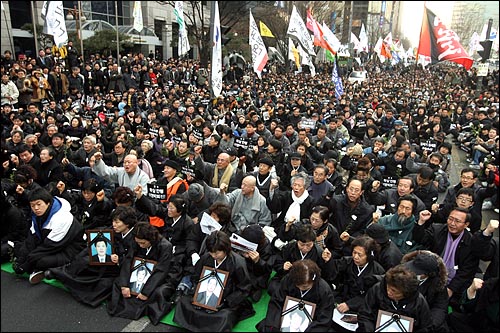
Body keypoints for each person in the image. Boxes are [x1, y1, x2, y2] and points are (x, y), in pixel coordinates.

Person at [46, 206, 138, 307]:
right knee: (84, 260)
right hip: (106, 259)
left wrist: (119, 260)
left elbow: (131, 259)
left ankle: (64, 276)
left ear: (127, 223)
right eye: (113, 221)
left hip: (119, 268)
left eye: (117, 222)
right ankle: (60, 273)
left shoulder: (135, 238)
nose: (113, 225)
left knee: (103, 283)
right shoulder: (113, 230)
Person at [173, 230, 255, 332]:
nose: (213, 256)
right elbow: (196, 277)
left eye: (217, 253)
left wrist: (226, 301)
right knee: (183, 302)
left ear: (226, 249)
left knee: (225, 316)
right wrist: (197, 294)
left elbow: (244, 288)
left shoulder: (238, 262)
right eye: (211, 252)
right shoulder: (205, 258)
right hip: (205, 295)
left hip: (227, 298)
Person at [412, 207, 484, 310]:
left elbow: (466, 271)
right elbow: (420, 239)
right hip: (432, 274)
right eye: (450, 219)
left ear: (466, 224)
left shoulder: (471, 242)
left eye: (457, 221)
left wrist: (451, 289)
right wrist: (421, 221)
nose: (452, 223)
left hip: (454, 281)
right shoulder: (437, 229)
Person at [12, 187, 86, 284]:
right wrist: (21, 259)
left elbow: (50, 246)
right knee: (21, 250)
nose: (36, 208)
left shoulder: (62, 218)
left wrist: (26, 264)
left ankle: (58, 269)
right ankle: (42, 269)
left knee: (40, 261)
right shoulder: (37, 216)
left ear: (48, 203)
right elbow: (31, 239)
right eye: (32, 205)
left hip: (71, 250)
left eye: (39, 204)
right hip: (51, 245)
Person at [106, 222, 175, 325]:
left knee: (159, 292)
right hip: (138, 271)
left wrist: (146, 292)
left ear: (150, 239)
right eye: (138, 243)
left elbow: (161, 270)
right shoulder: (136, 241)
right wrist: (124, 285)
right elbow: (128, 260)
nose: (140, 245)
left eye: (143, 243)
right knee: (118, 283)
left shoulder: (165, 246)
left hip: (158, 274)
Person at [256, 259, 335, 332]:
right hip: (287, 318)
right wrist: (275, 324)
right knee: (268, 326)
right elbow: (277, 301)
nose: (300, 288)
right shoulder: (288, 279)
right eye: (297, 285)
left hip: (311, 323)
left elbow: (324, 318)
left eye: (304, 287)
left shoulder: (324, 291)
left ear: (314, 281)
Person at [356, 264, 433, 332]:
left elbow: (425, 327)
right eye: (388, 287)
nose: (389, 292)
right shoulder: (377, 289)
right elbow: (365, 314)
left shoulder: (419, 302)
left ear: (405, 293)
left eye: (394, 291)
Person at [322, 235, 385, 316]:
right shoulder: (347, 261)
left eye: (360, 255)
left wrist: (350, 305)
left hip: (361, 306)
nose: (355, 257)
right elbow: (332, 275)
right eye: (354, 252)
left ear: (369, 256)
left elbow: (372, 296)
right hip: (342, 298)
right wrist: (329, 261)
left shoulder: (378, 271)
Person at [402, 250, 450, 332]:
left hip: (423, 320)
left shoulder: (438, 285)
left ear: (428, 274)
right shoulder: (401, 274)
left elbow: (439, 307)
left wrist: (429, 326)